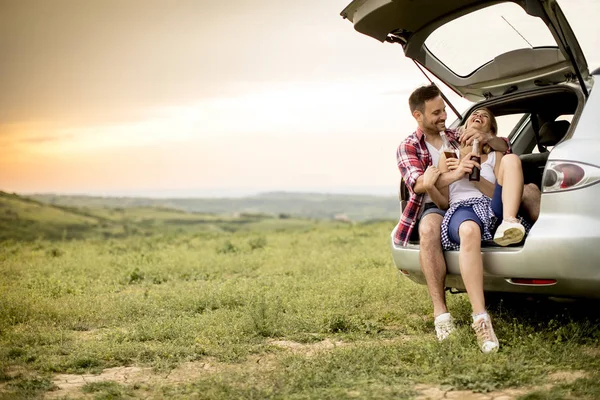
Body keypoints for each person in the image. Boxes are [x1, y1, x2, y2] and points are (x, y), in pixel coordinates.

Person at [395, 84, 540, 343]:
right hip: (432, 203)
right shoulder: (408, 146)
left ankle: (511, 223)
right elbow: (418, 185)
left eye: (443, 110)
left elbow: (504, 144)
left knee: (517, 176)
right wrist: (453, 174)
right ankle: (441, 314)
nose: (444, 117)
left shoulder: (455, 134)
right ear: (418, 115)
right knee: (429, 230)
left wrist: (484, 139)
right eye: (436, 113)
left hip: (476, 200)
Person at [435, 107, 532, 353]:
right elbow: (444, 202)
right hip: (462, 209)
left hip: (493, 209)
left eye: (485, 116)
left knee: (512, 159)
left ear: (490, 129)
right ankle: (481, 319)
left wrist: (477, 178)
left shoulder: (497, 152)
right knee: (468, 231)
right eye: (474, 113)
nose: (478, 115)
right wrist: (458, 173)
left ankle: (510, 222)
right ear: (464, 125)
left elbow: (496, 189)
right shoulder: (449, 153)